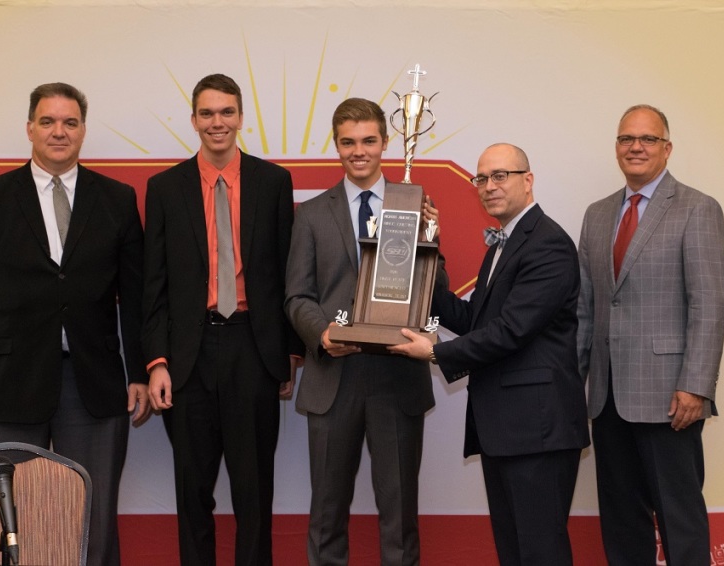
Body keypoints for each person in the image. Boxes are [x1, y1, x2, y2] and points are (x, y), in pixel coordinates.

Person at [0, 82, 149, 566]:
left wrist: (138, 370)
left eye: (70, 122)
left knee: (91, 520)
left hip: (94, 384)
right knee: (13, 519)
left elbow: (136, 298)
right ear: (30, 128)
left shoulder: (117, 199)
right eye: (49, 121)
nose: (60, 131)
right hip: (7, 383)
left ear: (82, 130)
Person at [390, 143, 590, 566]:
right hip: (506, 428)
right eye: (482, 178)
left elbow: (511, 331)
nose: (489, 186)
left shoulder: (547, 244)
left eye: (501, 175)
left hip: (536, 430)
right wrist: (426, 254)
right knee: (515, 550)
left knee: (540, 551)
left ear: (527, 180)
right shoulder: (503, 244)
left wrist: (435, 353)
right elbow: (473, 318)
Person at [142, 73, 301, 566]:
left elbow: (287, 271)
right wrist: (156, 362)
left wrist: (289, 354)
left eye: (227, 112)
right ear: (193, 120)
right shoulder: (164, 188)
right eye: (207, 113)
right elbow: (155, 283)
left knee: (254, 494)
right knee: (193, 494)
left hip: (253, 349)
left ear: (240, 117)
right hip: (187, 358)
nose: (217, 122)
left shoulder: (272, 182)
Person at [285, 98, 442, 565]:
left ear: (385, 143)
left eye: (369, 141)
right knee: (327, 514)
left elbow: (436, 295)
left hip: (397, 378)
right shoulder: (311, 214)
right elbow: (296, 297)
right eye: (348, 142)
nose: (359, 151)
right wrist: (323, 334)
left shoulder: (414, 206)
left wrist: (431, 242)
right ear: (335, 145)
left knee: (399, 515)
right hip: (334, 377)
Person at [577, 104, 724, 565]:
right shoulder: (598, 213)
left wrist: (696, 386)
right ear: (617, 148)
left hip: (670, 399)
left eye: (647, 139)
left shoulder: (697, 208)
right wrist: (572, 381)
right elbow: (587, 308)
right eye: (626, 139)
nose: (635, 147)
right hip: (607, 398)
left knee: (679, 517)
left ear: (667, 148)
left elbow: (710, 302)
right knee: (622, 520)